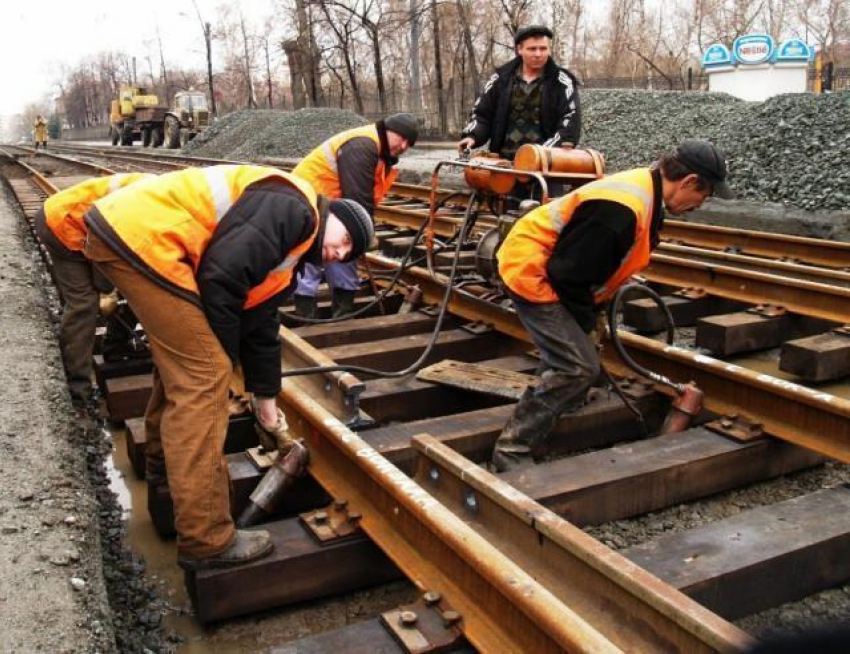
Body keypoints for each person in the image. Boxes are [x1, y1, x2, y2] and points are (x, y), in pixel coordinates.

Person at [79, 165, 373, 569]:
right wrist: (216, 364)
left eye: (345, 256)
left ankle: (165, 474)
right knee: (204, 375)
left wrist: (268, 412)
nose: (338, 254)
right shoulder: (297, 210)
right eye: (344, 242)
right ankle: (207, 540)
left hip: (131, 236)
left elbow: (261, 330)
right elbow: (222, 277)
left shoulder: (288, 253)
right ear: (334, 215)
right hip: (144, 239)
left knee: (189, 365)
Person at [491, 139, 733, 472]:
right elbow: (566, 275)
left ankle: (562, 398)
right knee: (578, 366)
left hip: (554, 268)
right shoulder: (621, 209)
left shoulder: (647, 190)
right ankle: (512, 448)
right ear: (689, 182)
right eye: (703, 196)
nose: (699, 204)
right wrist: (586, 323)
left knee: (574, 352)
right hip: (532, 271)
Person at [34, 173, 153, 407]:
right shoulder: (139, 206)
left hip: (92, 228)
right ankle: (78, 388)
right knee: (84, 304)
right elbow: (104, 246)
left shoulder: (160, 204)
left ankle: (116, 347)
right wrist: (108, 291)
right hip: (61, 225)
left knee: (139, 287)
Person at [291, 113, 419, 318]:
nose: (403, 146)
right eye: (401, 138)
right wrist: (366, 234)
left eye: (409, 143)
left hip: (331, 205)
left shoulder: (378, 150)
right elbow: (358, 196)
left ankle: (342, 315)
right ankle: (305, 317)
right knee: (312, 258)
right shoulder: (363, 144)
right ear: (386, 130)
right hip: (309, 203)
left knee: (344, 253)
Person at [458, 25, 580, 161]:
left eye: (543, 48)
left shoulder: (562, 82)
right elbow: (482, 114)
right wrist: (472, 136)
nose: (538, 54)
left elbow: (570, 122)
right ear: (520, 49)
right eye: (532, 49)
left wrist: (542, 154)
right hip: (503, 166)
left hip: (546, 167)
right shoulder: (500, 79)